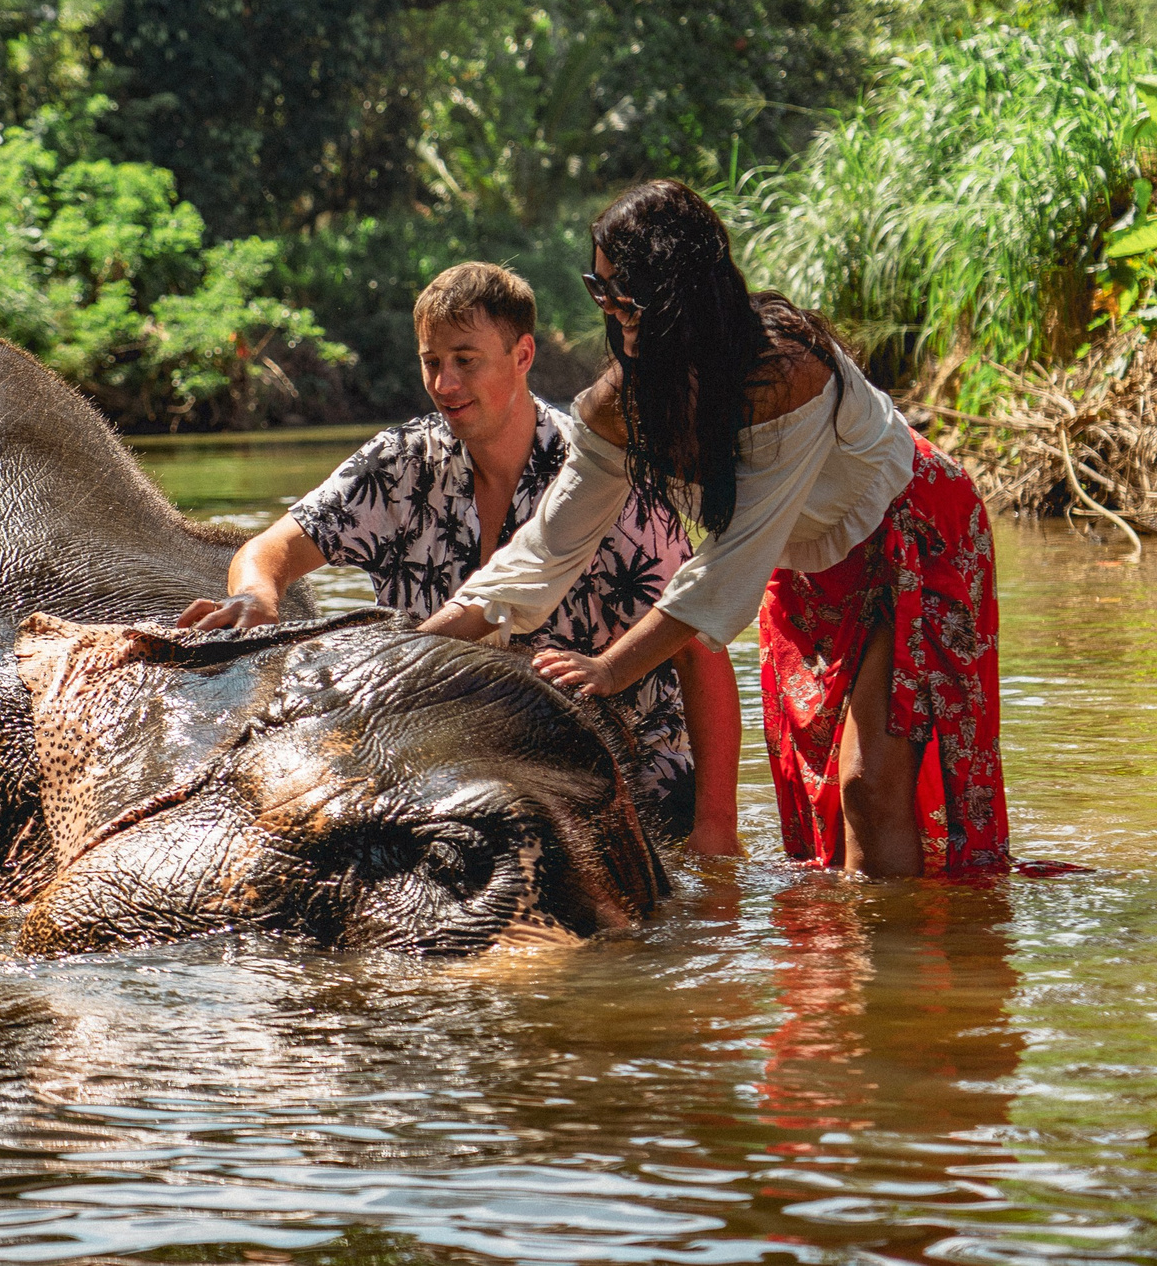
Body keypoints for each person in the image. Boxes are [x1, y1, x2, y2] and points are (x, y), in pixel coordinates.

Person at [417, 181, 1009, 878]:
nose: (610, 310)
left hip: (910, 530)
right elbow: (546, 550)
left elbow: (726, 566)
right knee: (831, 810)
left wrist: (609, 668)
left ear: (679, 290)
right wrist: (410, 647)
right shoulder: (619, 406)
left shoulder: (785, 372)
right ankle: (856, 974)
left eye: (626, 293)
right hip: (809, 567)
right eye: (598, 288)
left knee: (867, 784)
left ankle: (913, 980)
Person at [179, 262, 741, 852]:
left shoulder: (599, 470)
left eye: (465, 360)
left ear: (523, 356)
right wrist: (256, 595)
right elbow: (269, 550)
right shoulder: (401, 464)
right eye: (431, 362)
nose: (445, 383)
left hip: (623, 777)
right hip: (454, 769)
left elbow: (700, 646)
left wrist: (717, 826)